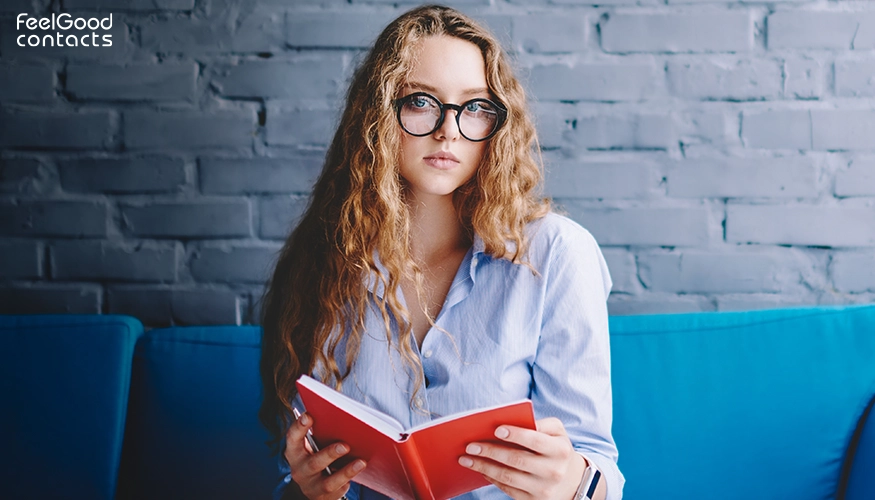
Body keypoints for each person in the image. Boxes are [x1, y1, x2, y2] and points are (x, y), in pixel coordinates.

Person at [259, 4, 623, 499]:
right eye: (421, 101)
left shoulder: (557, 252)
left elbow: (598, 467)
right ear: (378, 117)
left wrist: (574, 483)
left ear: (497, 126)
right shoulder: (325, 265)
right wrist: (309, 490)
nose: (448, 129)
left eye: (474, 107)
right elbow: (299, 473)